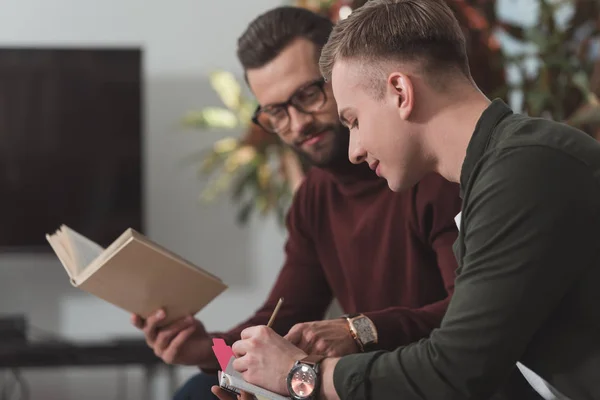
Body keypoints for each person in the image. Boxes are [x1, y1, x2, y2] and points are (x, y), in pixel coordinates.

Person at [212, 1, 600, 400]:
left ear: (400, 91)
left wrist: (300, 376)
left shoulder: (525, 169)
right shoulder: (499, 170)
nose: (355, 150)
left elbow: (454, 369)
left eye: (355, 121)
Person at [132, 6, 462, 400]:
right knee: (201, 391)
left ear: (343, 77)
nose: (297, 123)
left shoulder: (430, 173)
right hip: (346, 379)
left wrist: (358, 330)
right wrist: (206, 350)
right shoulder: (315, 195)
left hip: (412, 381)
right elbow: (284, 315)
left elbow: (468, 319)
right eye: (276, 111)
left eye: (307, 95)